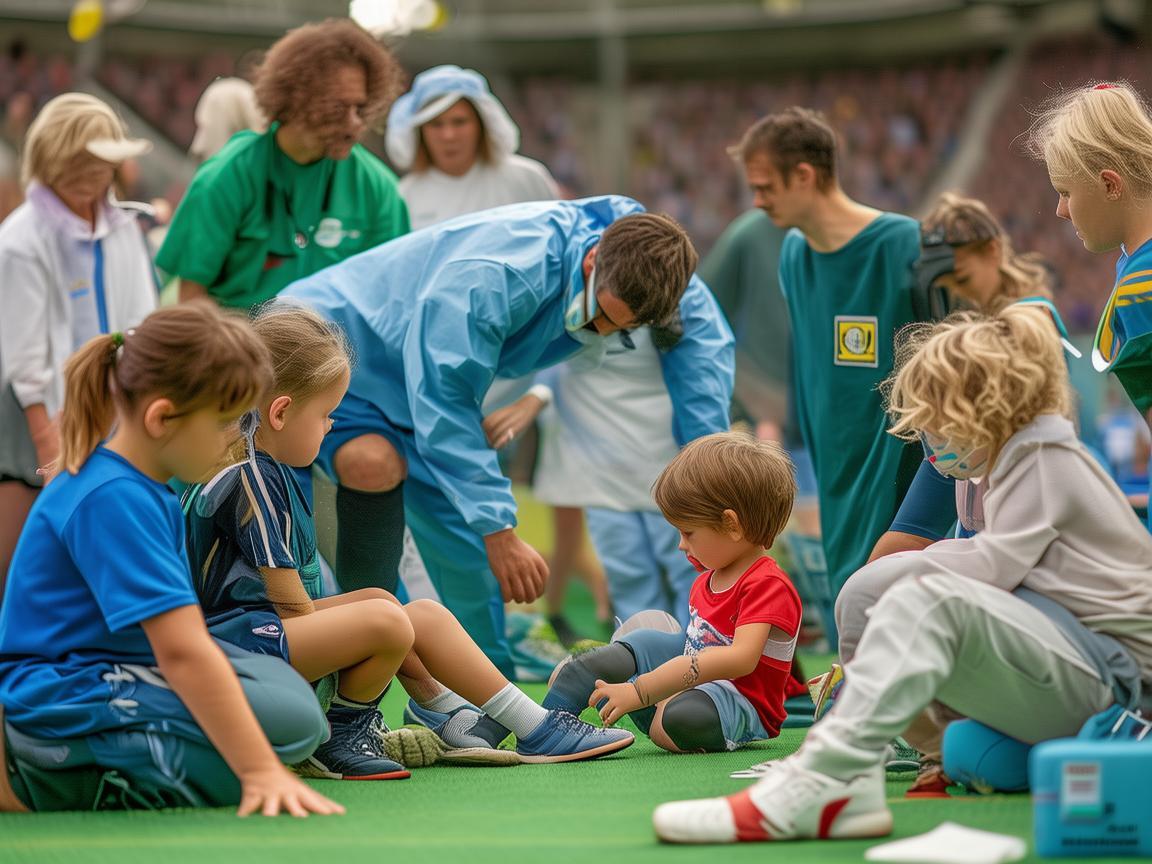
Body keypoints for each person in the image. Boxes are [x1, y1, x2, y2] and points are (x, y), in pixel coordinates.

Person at [652, 305, 1152, 843]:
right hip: (1076, 660)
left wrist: (901, 576)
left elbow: (993, 567)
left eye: (935, 420)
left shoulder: (1044, 456)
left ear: (978, 410)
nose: (927, 437)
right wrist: (881, 582)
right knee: (877, 605)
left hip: (1125, 685)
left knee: (925, 596)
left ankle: (830, 774)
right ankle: (881, 771)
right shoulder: (988, 465)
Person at [282, 196, 733, 677]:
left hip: (408, 387)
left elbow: (705, 373)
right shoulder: (496, 275)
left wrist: (713, 492)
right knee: (372, 463)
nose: (599, 331)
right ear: (592, 260)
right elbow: (445, 399)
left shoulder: (668, 275)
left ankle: (486, 695)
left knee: (471, 556)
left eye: (619, 329)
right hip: (321, 345)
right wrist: (500, 529)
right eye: (601, 314)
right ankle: (348, 668)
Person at [183, 303, 635, 768]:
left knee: (401, 607)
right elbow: (291, 608)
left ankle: (497, 721)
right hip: (239, 651)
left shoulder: (258, 466)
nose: (331, 425)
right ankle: (342, 733)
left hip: (260, 637)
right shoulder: (250, 477)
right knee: (385, 620)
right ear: (280, 412)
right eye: (326, 414)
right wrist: (356, 641)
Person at [0, 303, 343, 816]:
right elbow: (181, 652)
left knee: (293, 710)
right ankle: (42, 768)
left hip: (122, 666)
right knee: (270, 743)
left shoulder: (144, 487)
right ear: (162, 418)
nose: (238, 436)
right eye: (226, 421)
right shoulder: (114, 497)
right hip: (66, 692)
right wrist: (259, 770)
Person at [732, 108, 923, 604]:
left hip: (903, 486)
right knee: (848, 619)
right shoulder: (794, 254)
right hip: (833, 478)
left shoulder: (907, 244)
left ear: (804, 176)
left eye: (765, 188)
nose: (757, 202)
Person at [542, 431, 800, 754]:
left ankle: (635, 698)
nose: (681, 544)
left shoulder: (768, 584)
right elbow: (693, 645)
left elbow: (739, 660)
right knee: (630, 645)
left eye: (689, 533)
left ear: (731, 525)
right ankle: (546, 721)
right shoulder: (707, 577)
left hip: (738, 699)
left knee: (680, 719)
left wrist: (643, 690)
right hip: (693, 675)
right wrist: (652, 677)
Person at [0, 93, 157, 594]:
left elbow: (142, 318)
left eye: (101, 163)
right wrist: (49, 442)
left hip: (111, 407)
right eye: (79, 162)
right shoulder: (21, 240)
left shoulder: (124, 228)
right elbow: (24, 355)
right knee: (24, 536)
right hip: (35, 413)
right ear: (51, 159)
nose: (91, 175)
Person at [157, 18, 409, 311]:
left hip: (339, 339)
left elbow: (393, 296)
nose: (354, 124)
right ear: (295, 99)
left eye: (360, 108)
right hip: (239, 336)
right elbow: (191, 298)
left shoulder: (377, 187)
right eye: (337, 108)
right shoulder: (227, 176)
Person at [385, 64, 559, 230]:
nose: (448, 135)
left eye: (459, 122)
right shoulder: (406, 195)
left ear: (482, 125)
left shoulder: (526, 179)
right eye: (436, 124)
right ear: (419, 132)